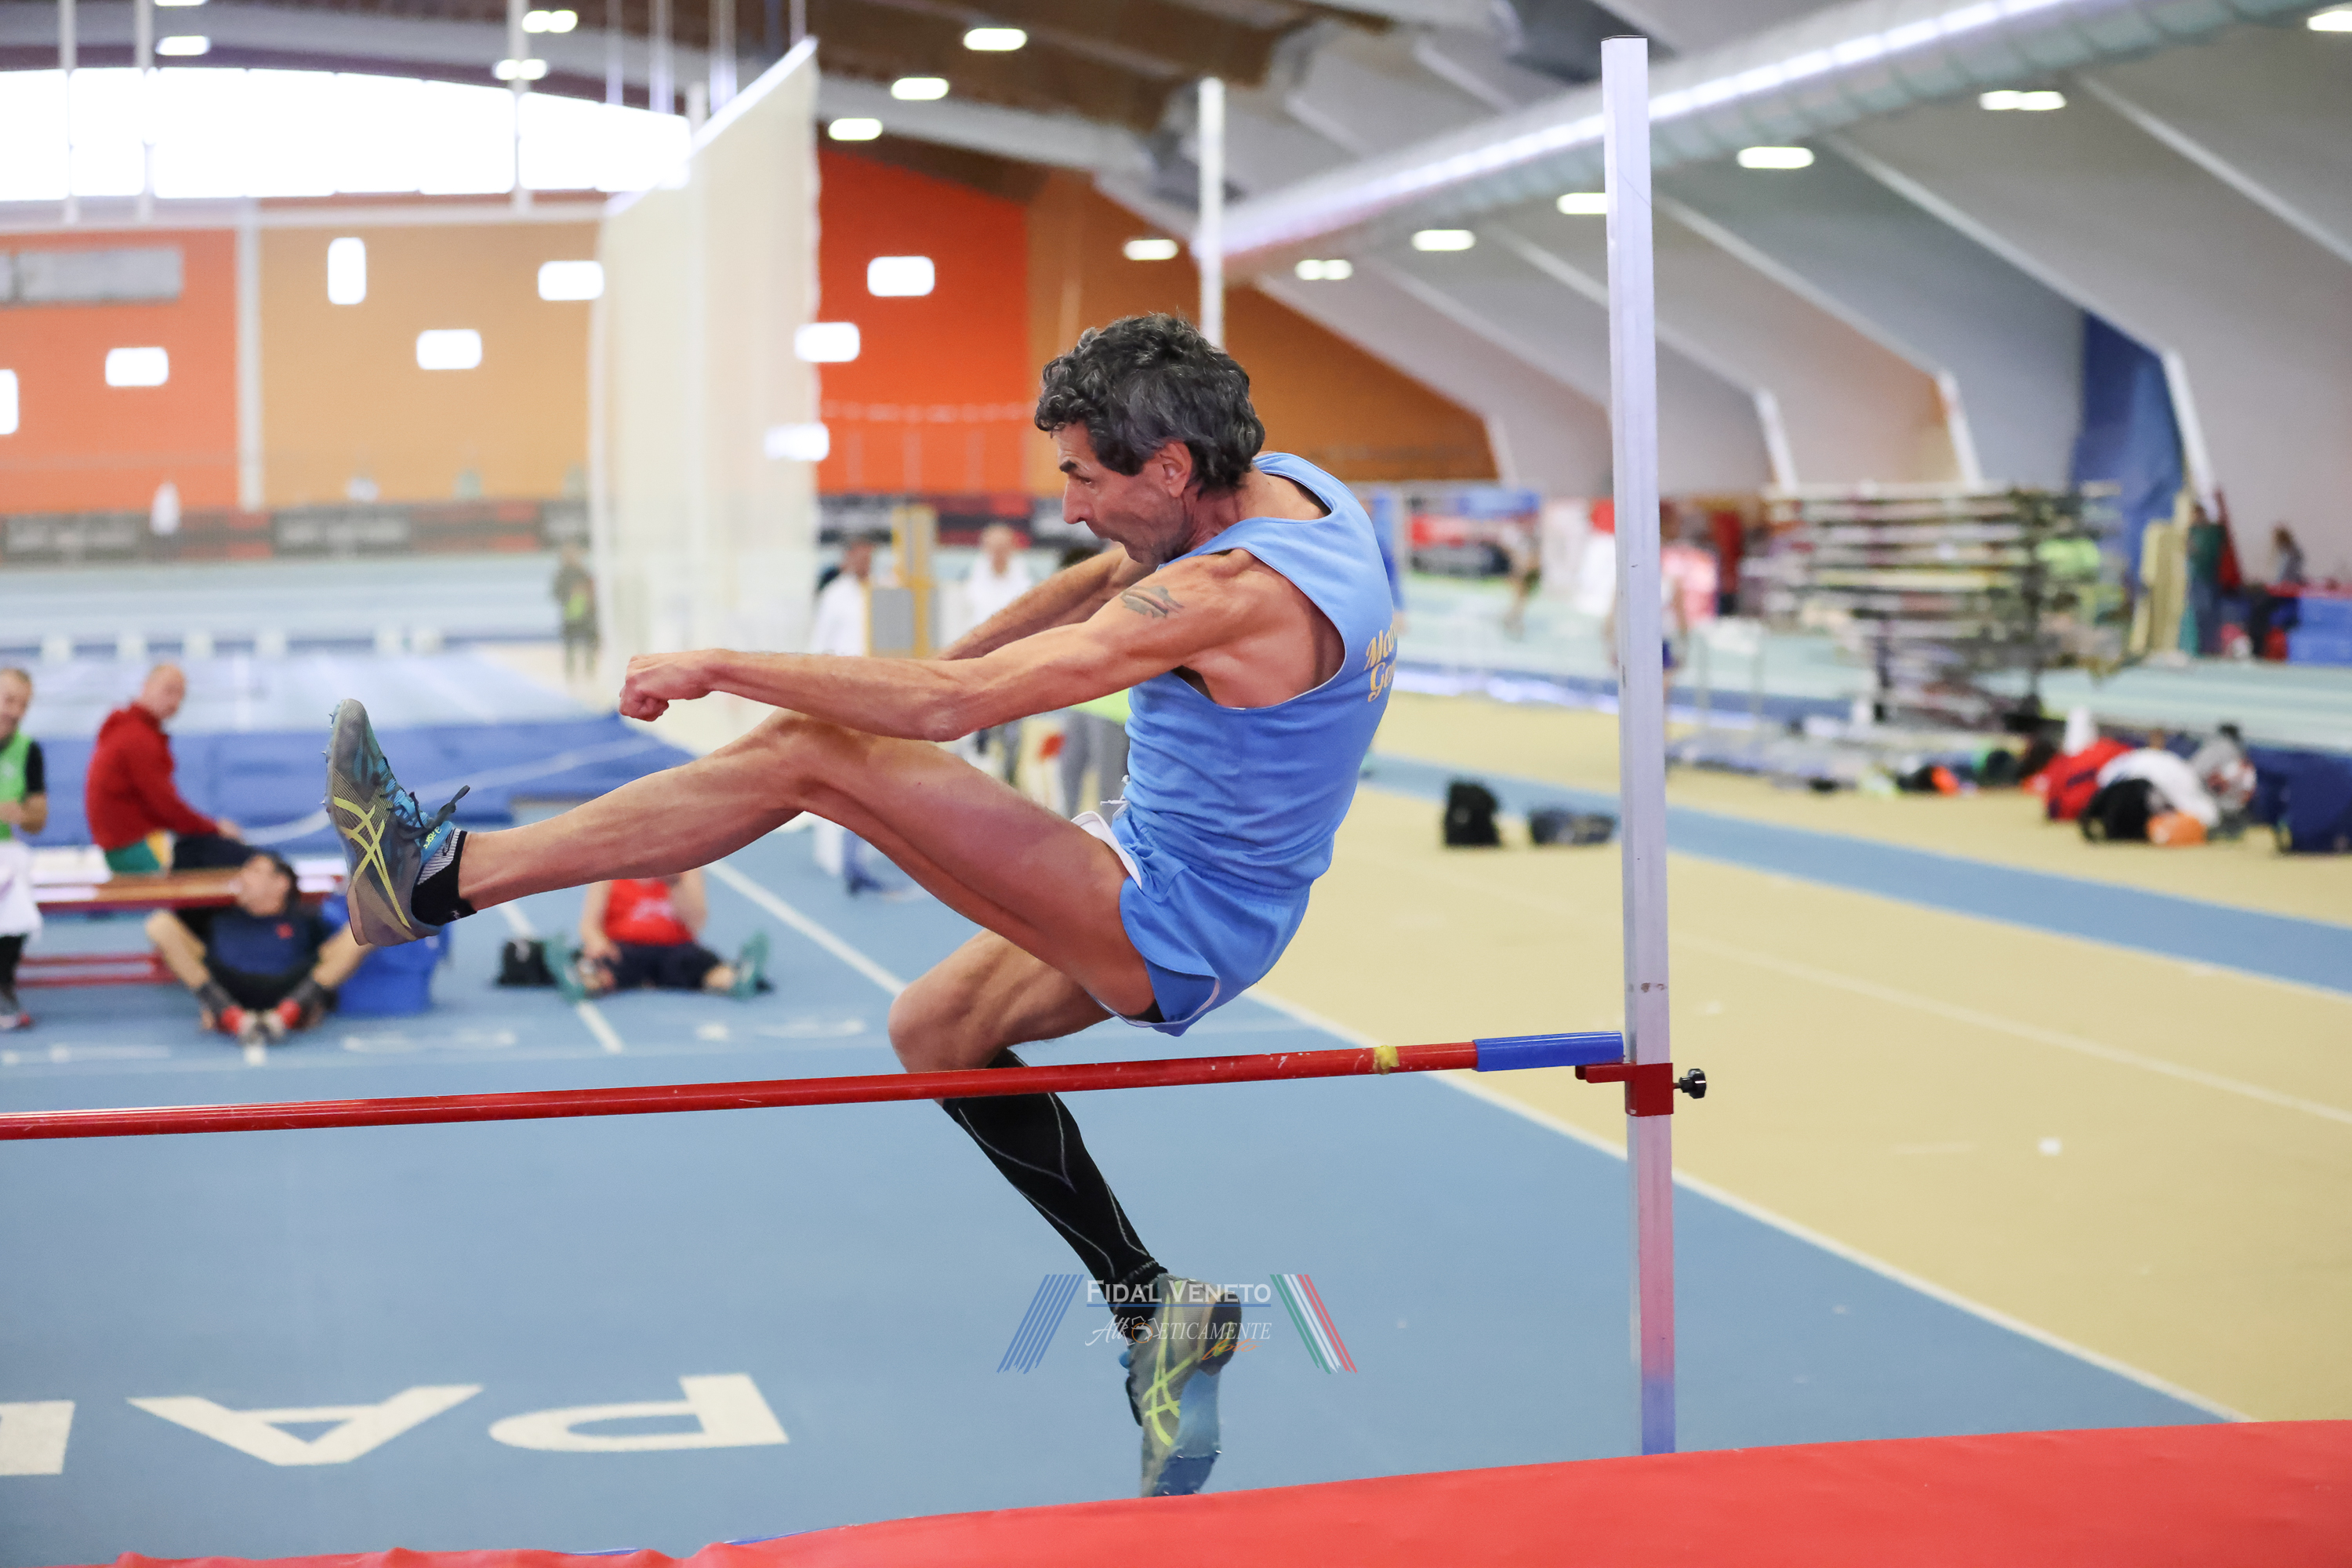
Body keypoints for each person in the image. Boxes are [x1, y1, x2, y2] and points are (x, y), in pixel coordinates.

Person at [324, 312, 1399, 1500]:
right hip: (1175, 871)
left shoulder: (1232, 595)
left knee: (808, 749)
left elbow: (946, 708)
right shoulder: (1289, 489)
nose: (1074, 507)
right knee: (934, 1031)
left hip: (1176, 916)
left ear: (1171, 467)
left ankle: (436, 879)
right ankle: (1153, 1309)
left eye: (1085, 479)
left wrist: (724, 666)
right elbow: (1095, 588)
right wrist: (960, 673)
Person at [147, 850, 366, 1046]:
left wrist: (318, 1001)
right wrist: (209, 1001)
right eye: (244, 871)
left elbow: (326, 960)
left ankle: (285, 1017)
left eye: (254, 871)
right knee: (160, 924)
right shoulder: (219, 918)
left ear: (281, 883)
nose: (243, 877)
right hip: (230, 988)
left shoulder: (306, 919)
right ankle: (230, 1017)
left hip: (291, 989)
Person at [85, 664, 243, 873]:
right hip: (135, 846)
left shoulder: (125, 730)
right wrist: (214, 828)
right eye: (169, 690)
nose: (174, 702)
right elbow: (165, 806)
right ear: (146, 686)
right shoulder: (137, 738)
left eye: (181, 695)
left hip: (120, 845)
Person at [561, 868, 769, 1001]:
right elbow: (589, 924)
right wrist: (597, 942)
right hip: (624, 948)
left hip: (674, 949)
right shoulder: (611, 867)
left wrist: (675, 883)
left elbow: (696, 922)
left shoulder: (687, 866)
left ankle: (737, 979)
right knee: (603, 964)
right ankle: (582, 981)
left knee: (703, 966)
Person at [965, 524, 1036, 782]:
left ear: (1012, 549)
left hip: (1015, 669)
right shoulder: (971, 583)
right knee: (977, 737)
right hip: (978, 670)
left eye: (1002, 548)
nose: (997, 554)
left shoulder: (1026, 584)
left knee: (1012, 738)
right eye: (993, 549)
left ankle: (1011, 780)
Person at [0, 667, 49, 1031]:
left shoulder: (28, 750)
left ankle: (3, 983)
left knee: (14, 882)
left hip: (5, 850)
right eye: (8, 701)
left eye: (23, 705)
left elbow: (37, 818)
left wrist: (21, 813)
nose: (15, 711)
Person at [554, 543, 600, 681]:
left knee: (590, 645)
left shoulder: (583, 572)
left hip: (587, 615)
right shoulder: (561, 575)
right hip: (570, 615)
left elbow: (593, 590)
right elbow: (557, 594)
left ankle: (590, 673)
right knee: (570, 646)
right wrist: (570, 595)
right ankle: (570, 674)